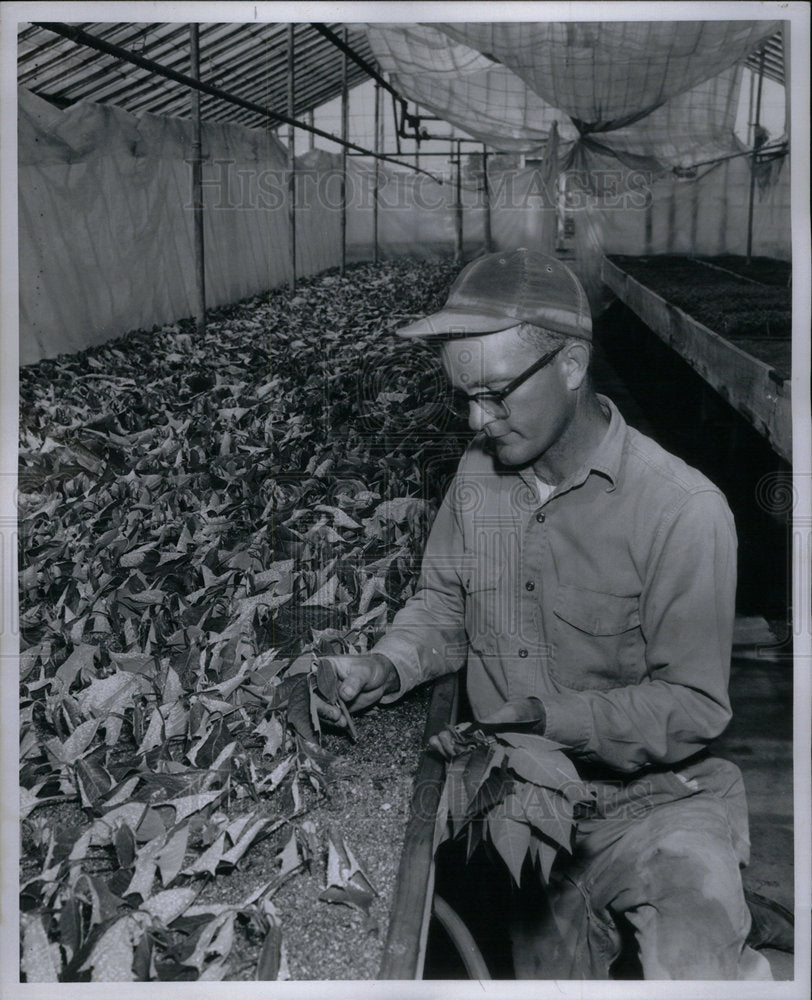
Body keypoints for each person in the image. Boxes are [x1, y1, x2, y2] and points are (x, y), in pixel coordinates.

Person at [317, 248, 774, 980]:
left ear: (570, 363)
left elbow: (690, 705)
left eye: (496, 392)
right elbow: (443, 605)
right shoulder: (479, 479)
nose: (477, 417)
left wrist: (547, 718)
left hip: (657, 806)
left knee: (698, 964)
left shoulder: (681, 512)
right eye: (463, 396)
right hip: (527, 813)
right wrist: (386, 662)